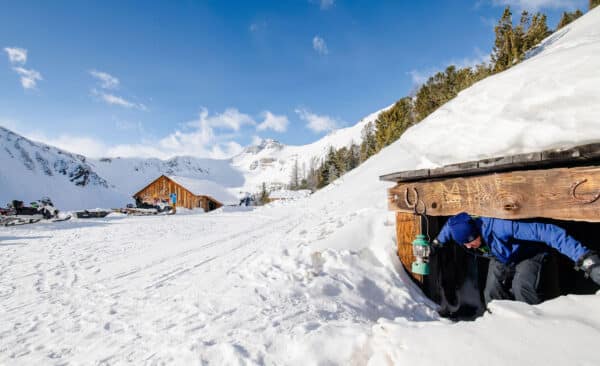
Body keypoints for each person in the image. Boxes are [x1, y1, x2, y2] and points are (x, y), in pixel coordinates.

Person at [434, 212, 600, 305]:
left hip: (529, 253)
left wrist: (585, 258)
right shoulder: (460, 228)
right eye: (464, 244)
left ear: (477, 232)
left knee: (523, 288)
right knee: (491, 293)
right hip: (502, 257)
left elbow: (547, 232)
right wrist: (436, 243)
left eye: (470, 241)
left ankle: (531, 332)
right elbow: (450, 227)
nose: (468, 246)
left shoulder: (501, 226)